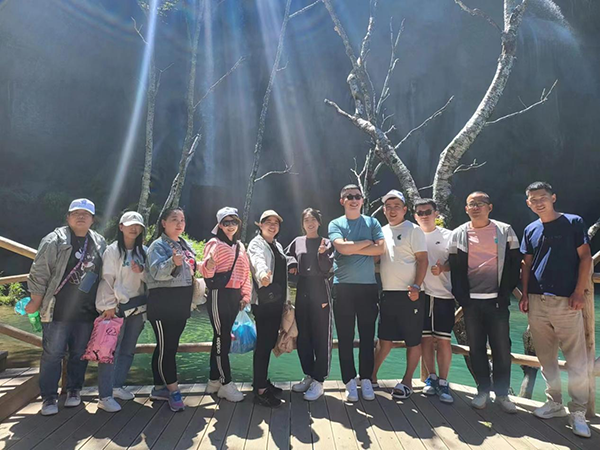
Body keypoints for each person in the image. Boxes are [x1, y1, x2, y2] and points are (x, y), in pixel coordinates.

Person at [519, 181, 592, 438]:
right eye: (533, 199)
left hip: (566, 300)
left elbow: (585, 257)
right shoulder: (530, 229)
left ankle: (579, 411)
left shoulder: (573, 222)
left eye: (543, 197)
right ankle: (554, 402)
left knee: (576, 358)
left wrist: (579, 291)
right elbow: (526, 264)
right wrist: (525, 295)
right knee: (545, 357)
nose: (539, 202)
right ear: (528, 203)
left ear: (553, 198)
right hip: (537, 301)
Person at [27, 198, 106, 416]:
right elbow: (39, 272)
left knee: (79, 353)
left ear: (92, 219)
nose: (81, 217)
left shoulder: (99, 241)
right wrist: (35, 300)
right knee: (53, 354)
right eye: (76, 213)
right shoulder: (54, 240)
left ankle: (73, 390)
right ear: (68, 217)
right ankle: (49, 397)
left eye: (86, 214)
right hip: (58, 309)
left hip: (87, 311)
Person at [448, 191, 521, 413]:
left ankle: (502, 394)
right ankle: (482, 391)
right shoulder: (458, 234)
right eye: (472, 204)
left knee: (502, 347)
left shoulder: (505, 230)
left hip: (497, 301)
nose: (476, 207)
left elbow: (514, 263)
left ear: (490, 207)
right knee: (476, 347)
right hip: (471, 302)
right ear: (466, 209)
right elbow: (455, 268)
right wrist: (463, 299)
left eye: (481, 203)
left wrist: (504, 294)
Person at [328, 184, 385, 402]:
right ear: (342, 201)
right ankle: (349, 381)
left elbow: (381, 248)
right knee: (345, 336)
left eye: (357, 196)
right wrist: (366, 243)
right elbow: (341, 248)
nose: (353, 200)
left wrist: (353, 247)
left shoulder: (372, 222)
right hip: (342, 287)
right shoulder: (336, 223)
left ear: (362, 200)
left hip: (368, 287)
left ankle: (366, 379)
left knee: (368, 335)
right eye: (349, 196)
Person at [372, 190, 428, 400]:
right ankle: (371, 377)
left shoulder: (414, 230)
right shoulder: (381, 231)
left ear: (405, 209)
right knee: (384, 339)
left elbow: (422, 260)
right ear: (384, 210)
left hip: (410, 294)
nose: (392, 210)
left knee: (413, 340)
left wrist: (417, 286)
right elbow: (376, 259)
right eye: (388, 206)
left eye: (397, 206)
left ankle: (407, 382)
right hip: (388, 293)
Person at [95, 211, 148, 413]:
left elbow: (150, 278)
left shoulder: (144, 251)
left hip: (138, 307)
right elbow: (107, 279)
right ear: (121, 227)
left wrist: (141, 271)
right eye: (130, 224)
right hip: (116, 308)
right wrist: (107, 305)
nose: (134, 228)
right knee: (109, 351)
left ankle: (117, 386)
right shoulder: (112, 251)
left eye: (138, 225)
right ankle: (105, 395)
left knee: (128, 349)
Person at [146, 207, 195, 412]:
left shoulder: (184, 245)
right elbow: (156, 273)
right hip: (162, 305)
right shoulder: (157, 246)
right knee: (167, 348)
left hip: (180, 304)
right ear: (164, 223)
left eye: (182, 220)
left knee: (167, 347)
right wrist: (172, 262)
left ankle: (159, 388)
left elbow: (190, 270)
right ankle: (173, 391)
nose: (179, 223)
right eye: (174, 219)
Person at [200, 207, 251, 403]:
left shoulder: (240, 246)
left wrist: (245, 295)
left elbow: (245, 273)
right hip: (218, 294)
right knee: (223, 338)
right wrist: (209, 265)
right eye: (226, 222)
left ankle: (214, 380)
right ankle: (226, 383)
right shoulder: (214, 244)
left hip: (234, 296)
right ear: (219, 225)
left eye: (234, 222)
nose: (230, 226)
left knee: (221, 338)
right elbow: (206, 272)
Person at [247, 210, 294, 407]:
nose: (273, 225)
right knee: (264, 346)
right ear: (260, 224)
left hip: (276, 302)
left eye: (276, 222)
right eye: (268, 222)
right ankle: (260, 391)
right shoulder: (256, 244)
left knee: (267, 344)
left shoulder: (276, 244)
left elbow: (282, 267)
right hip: (264, 302)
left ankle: (262, 381)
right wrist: (262, 275)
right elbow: (257, 260)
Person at [286, 208, 334, 401]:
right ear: (302, 223)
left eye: (313, 219)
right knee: (304, 335)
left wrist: (322, 254)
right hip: (303, 288)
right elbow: (287, 255)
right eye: (306, 220)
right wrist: (291, 263)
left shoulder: (326, 242)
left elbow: (329, 268)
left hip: (320, 287)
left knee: (321, 335)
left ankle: (319, 380)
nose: (310, 223)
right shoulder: (297, 241)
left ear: (319, 222)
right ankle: (308, 374)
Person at [413, 198, 455, 404]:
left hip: (443, 295)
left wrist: (443, 269)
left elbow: (457, 262)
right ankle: (431, 377)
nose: (424, 215)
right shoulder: (413, 235)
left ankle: (444, 381)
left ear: (436, 213)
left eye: (428, 211)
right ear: (415, 216)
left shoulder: (449, 235)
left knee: (444, 340)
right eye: (420, 213)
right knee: (425, 339)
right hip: (421, 294)